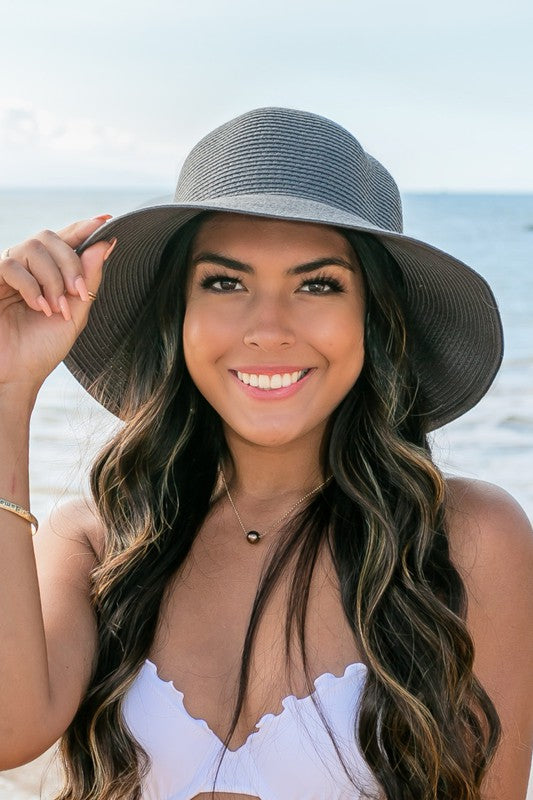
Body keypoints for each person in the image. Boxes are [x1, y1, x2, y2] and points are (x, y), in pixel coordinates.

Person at [0, 107, 531, 800]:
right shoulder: (100, 544)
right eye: (224, 282)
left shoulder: (467, 540)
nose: (268, 329)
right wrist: (8, 394)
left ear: (372, 316)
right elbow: (10, 733)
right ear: (178, 312)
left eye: (317, 284)